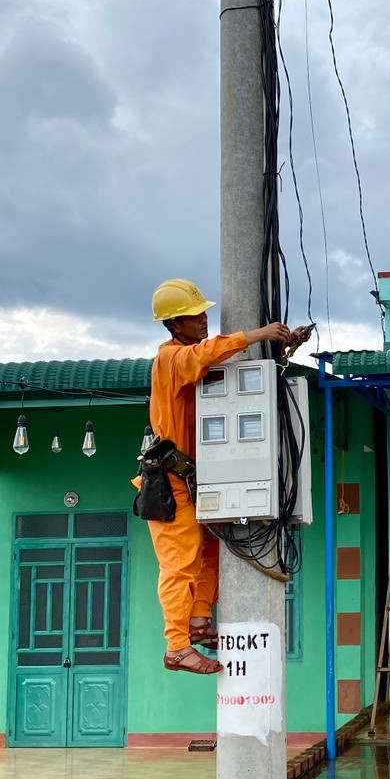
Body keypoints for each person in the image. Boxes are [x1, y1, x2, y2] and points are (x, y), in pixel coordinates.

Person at [144, 278, 306, 675]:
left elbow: (228, 367)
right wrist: (255, 333)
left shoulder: (194, 358)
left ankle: (199, 621)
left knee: (213, 549)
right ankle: (177, 648)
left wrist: (279, 348)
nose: (201, 321)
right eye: (192, 317)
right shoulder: (170, 358)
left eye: (203, 314)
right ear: (174, 325)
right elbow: (205, 354)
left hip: (193, 481)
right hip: (169, 485)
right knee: (179, 565)